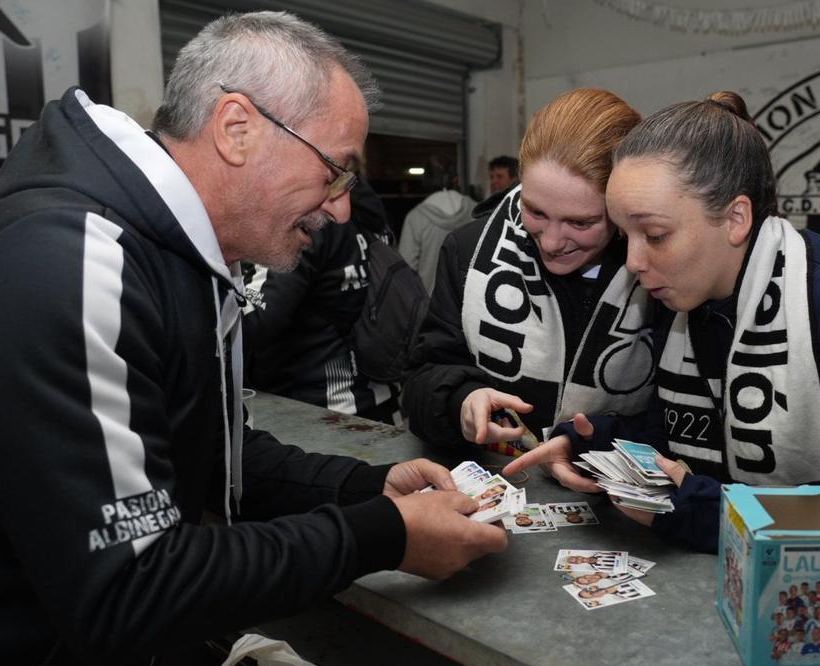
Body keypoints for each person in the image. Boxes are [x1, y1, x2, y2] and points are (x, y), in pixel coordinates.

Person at [0, 12, 506, 666]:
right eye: (335, 170)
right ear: (237, 129)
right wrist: (383, 535)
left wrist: (368, 486)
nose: (341, 209)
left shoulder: (184, 259)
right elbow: (126, 588)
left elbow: (212, 454)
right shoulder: (69, 263)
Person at [504, 91, 820, 563]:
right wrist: (600, 441)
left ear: (735, 218)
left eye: (655, 235)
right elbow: (694, 434)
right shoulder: (686, 293)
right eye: (625, 236)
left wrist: (701, 513)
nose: (633, 262)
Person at [401, 88, 657, 458]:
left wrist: (593, 442)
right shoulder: (469, 251)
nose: (552, 242)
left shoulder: (658, 270)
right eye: (535, 212)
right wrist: (462, 400)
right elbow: (421, 380)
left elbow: (681, 414)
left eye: (580, 222)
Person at [243, 176, 402, 423]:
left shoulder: (308, 225)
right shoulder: (368, 214)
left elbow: (253, 321)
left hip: (319, 413)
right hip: (381, 403)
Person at [397, 154, 475, 294]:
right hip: (470, 302)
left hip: (432, 305)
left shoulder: (416, 218)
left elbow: (406, 269)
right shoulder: (475, 210)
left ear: (425, 181)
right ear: (456, 179)